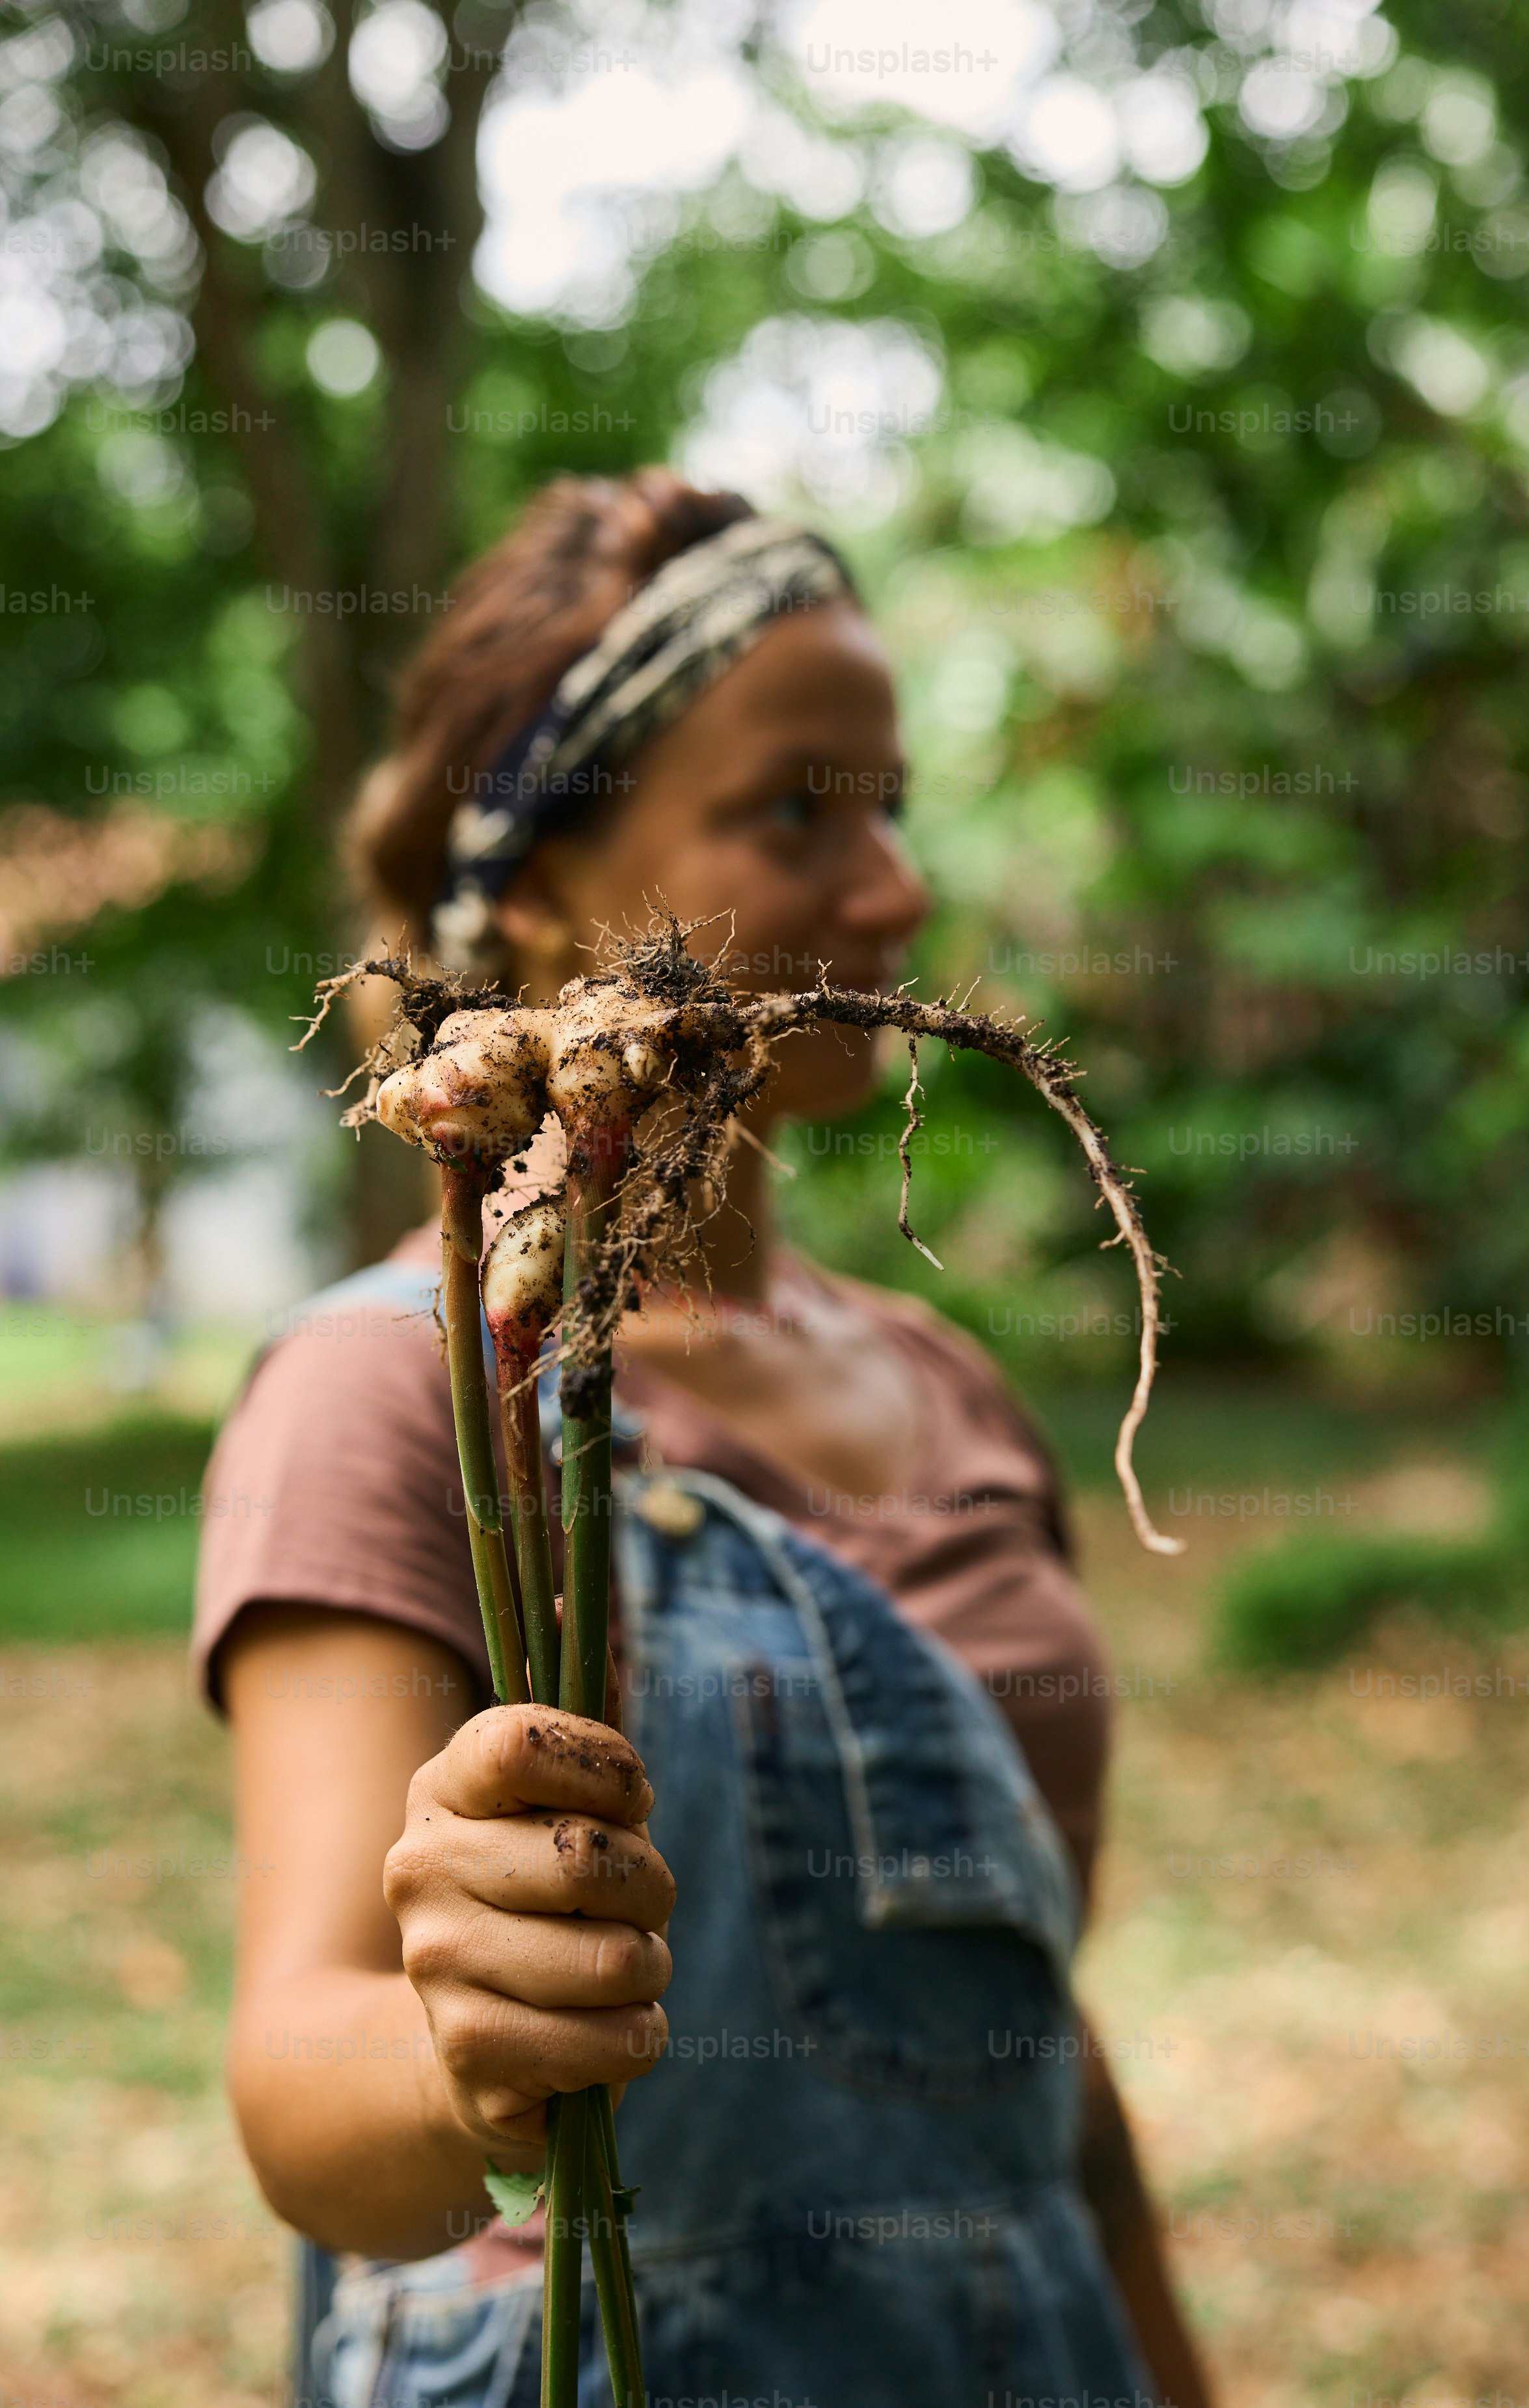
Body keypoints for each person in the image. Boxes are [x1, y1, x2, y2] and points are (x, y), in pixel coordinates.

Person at [196, 469, 1212, 2408]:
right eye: (793, 810)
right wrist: (458, 2058)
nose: (896, 891)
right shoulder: (393, 1380)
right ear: (555, 876)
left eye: (891, 802)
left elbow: (1032, 2043)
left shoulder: (948, 1385)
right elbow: (294, 2090)